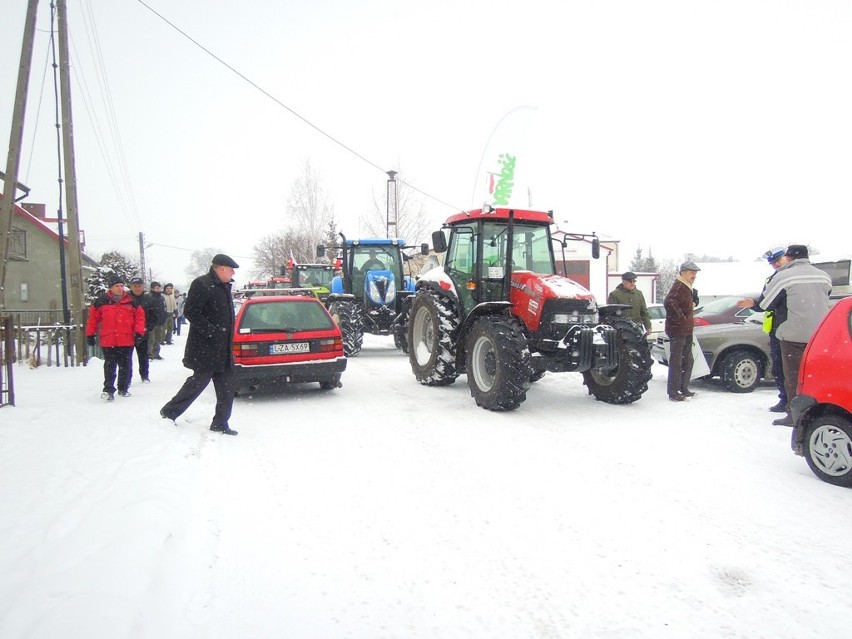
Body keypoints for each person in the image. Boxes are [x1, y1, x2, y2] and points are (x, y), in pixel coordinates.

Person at [160, 254, 241, 435]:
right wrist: (212, 331)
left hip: (224, 348)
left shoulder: (224, 286)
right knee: (197, 384)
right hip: (206, 348)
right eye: (230, 269)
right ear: (219, 268)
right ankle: (169, 412)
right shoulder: (202, 284)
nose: (233, 273)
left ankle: (220, 423)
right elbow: (191, 312)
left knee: (227, 388)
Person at [760, 244, 832, 426]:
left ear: (789, 257)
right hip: (819, 336)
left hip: (793, 335)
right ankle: (820, 411)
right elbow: (825, 297)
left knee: (792, 377)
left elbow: (765, 304)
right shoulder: (823, 275)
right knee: (816, 376)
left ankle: (794, 416)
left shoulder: (784, 277)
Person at [736, 247, 791, 412]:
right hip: (775, 329)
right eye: (772, 262)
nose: (775, 264)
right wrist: (754, 304)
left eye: (777, 260)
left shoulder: (790, 277)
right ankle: (785, 400)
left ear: (787, 258)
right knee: (778, 368)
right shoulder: (772, 279)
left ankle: (792, 402)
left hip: (790, 328)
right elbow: (765, 302)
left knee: (790, 368)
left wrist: (756, 304)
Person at [85, 274, 145, 401]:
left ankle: (123, 388)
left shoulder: (131, 301)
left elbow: (140, 317)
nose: (120, 288)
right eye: (117, 286)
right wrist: (90, 334)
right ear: (110, 288)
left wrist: (139, 332)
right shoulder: (101, 301)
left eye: (122, 286)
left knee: (125, 365)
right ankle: (108, 389)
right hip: (108, 339)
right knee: (109, 365)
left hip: (126, 339)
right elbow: (93, 319)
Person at [664, 261, 701, 401]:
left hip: (686, 329)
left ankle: (683, 388)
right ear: (683, 272)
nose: (694, 276)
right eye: (692, 273)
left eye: (695, 273)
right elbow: (669, 302)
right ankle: (673, 392)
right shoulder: (679, 286)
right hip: (678, 330)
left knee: (687, 360)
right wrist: (682, 319)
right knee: (677, 361)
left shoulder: (687, 287)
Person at [127, 277, 158, 383]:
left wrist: (149, 327)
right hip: (128, 333)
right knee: (127, 358)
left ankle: (144, 375)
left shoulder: (149, 299)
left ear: (143, 287)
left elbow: (155, 315)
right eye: (135, 286)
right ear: (131, 286)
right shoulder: (126, 298)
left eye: (139, 286)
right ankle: (127, 378)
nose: (137, 288)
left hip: (143, 332)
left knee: (143, 355)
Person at [147, 282, 168, 360]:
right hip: (151, 322)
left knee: (158, 338)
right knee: (151, 339)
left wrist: (163, 317)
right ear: (152, 288)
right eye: (156, 288)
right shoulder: (148, 297)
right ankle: (149, 353)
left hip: (160, 321)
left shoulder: (161, 297)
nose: (158, 289)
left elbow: (164, 308)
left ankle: (156, 353)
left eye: (159, 288)